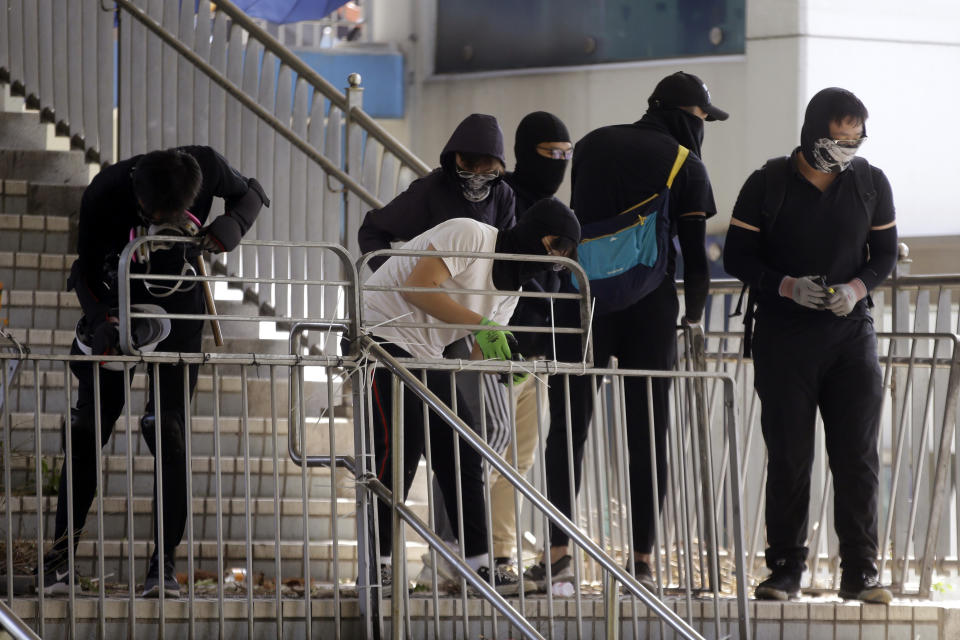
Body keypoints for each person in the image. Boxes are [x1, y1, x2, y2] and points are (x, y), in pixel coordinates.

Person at [526, 71, 727, 592]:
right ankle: (640, 563)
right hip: (651, 308)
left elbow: (583, 224)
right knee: (647, 432)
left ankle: (558, 554)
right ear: (689, 116)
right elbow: (695, 261)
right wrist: (694, 318)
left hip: (585, 299)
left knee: (568, 427)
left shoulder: (592, 144)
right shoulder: (688, 163)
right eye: (704, 118)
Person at [37, 147, 268, 598]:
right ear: (138, 198)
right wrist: (101, 318)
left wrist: (233, 224)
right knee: (89, 427)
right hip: (116, 300)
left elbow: (254, 194)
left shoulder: (206, 166)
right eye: (156, 214)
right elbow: (84, 270)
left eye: (175, 213)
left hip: (180, 306)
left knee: (167, 429)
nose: (166, 221)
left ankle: (162, 568)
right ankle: (60, 562)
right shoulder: (105, 191)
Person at [723, 88, 897, 603]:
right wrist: (786, 286)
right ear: (812, 132)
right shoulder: (768, 182)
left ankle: (862, 571)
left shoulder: (870, 183)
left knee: (857, 455)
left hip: (850, 336)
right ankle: (784, 569)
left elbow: (884, 253)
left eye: (855, 138)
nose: (846, 149)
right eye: (837, 138)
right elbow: (736, 255)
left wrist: (856, 289)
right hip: (784, 336)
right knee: (790, 455)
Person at [359, 199, 581, 596]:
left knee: (461, 448)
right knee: (396, 450)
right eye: (555, 245)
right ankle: (379, 567)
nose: (555, 257)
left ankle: (480, 565)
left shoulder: (512, 290)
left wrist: (500, 362)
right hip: (380, 337)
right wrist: (482, 325)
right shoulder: (472, 234)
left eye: (564, 254)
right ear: (536, 230)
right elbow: (417, 287)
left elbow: (472, 348)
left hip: (426, 355)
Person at [489, 111, 572, 570]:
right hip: (497, 348)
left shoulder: (560, 213)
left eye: (567, 154)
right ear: (526, 151)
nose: (559, 162)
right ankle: (467, 550)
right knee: (483, 454)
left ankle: (500, 555)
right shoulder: (504, 199)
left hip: (538, 355)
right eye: (550, 153)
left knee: (517, 460)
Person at [358, 112, 515, 272]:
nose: (476, 180)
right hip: (433, 287)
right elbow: (373, 230)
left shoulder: (503, 194)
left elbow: (507, 255)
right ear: (455, 159)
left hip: (481, 292)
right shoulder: (431, 189)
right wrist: (393, 278)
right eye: (467, 171)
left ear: (499, 167)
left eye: (487, 173)